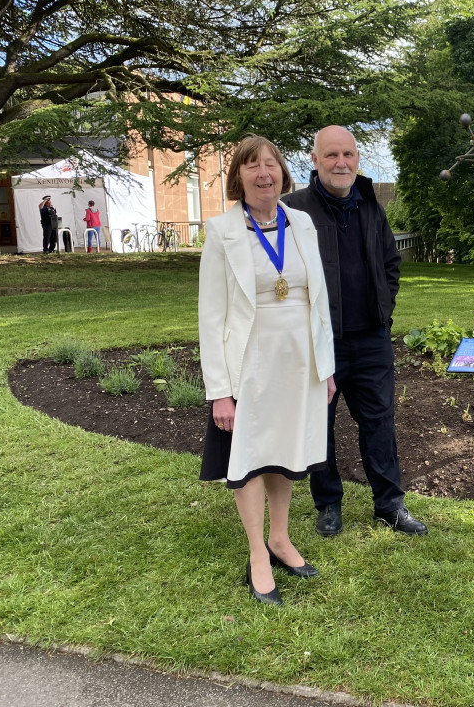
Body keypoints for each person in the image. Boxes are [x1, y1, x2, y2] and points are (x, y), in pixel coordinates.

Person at [198, 134, 336, 606]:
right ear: (238, 176)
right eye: (252, 166)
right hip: (248, 365)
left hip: (298, 363)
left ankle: (281, 539)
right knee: (252, 455)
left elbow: (318, 300)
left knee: (284, 450)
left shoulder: (301, 223)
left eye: (271, 165)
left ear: (283, 172)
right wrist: (220, 390)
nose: (263, 174)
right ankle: (258, 553)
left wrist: (327, 366)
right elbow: (210, 316)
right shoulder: (222, 232)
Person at [282, 126, 427, 537]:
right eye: (331, 155)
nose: (341, 162)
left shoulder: (370, 205)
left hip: (370, 340)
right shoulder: (293, 210)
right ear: (314, 160)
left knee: (380, 422)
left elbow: (390, 264)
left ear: (357, 159)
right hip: (319, 343)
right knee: (319, 424)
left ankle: (390, 504)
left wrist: (385, 310)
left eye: (348, 154)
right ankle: (328, 504)